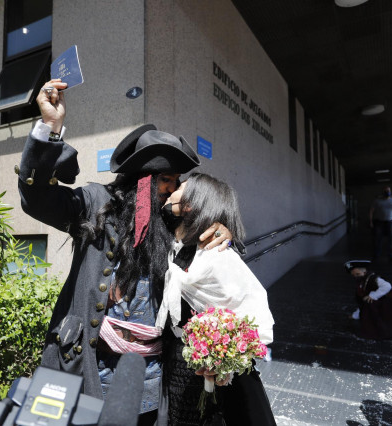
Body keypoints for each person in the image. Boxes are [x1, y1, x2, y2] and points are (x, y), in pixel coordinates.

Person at [17, 79, 233, 425]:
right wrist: (51, 128)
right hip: (87, 367)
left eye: (176, 182)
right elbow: (36, 198)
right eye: (166, 180)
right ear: (143, 180)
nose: (172, 190)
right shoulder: (96, 204)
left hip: (148, 376)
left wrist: (222, 229)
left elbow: (210, 270)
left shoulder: (176, 226)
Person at [155, 173, 276, 426]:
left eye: (180, 186)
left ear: (191, 203)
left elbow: (251, 311)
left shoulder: (216, 255)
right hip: (174, 367)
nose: (172, 188)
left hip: (209, 377)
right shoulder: (174, 244)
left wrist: (224, 360)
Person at [369, 186, 392, 261]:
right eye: (386, 191)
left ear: (390, 191)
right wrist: (371, 222)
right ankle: (376, 254)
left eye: (388, 190)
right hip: (379, 223)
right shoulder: (377, 201)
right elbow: (371, 211)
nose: (387, 192)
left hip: (391, 222)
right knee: (377, 240)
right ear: (383, 192)